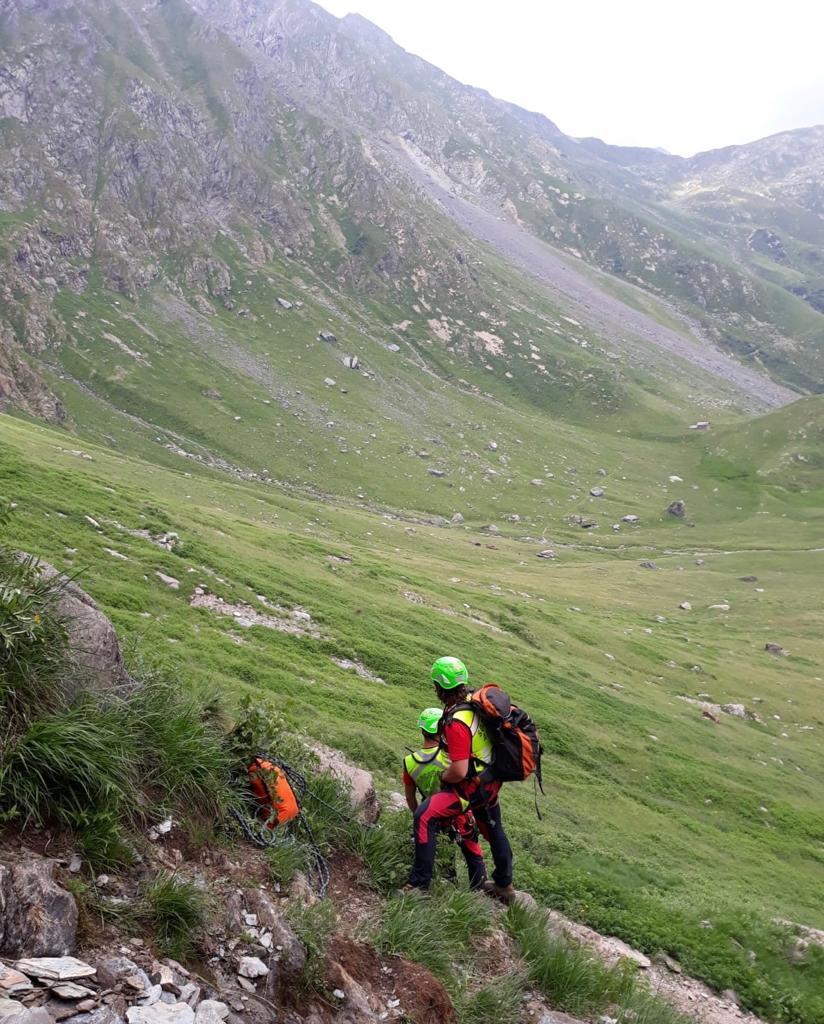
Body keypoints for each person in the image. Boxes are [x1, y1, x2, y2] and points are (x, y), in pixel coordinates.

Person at [406, 657, 515, 902]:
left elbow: (458, 770)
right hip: (490, 782)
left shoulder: (456, 721)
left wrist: (443, 777)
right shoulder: (473, 702)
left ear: (439, 686)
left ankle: (418, 886)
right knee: (494, 830)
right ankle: (504, 885)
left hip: (470, 788)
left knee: (424, 815)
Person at [402, 706, 487, 889]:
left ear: (423, 730)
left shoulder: (409, 762)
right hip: (461, 812)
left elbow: (410, 798)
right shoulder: (451, 755)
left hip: (434, 817)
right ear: (441, 730)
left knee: (443, 853)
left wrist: (421, 815)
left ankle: (447, 884)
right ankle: (479, 894)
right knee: (473, 855)